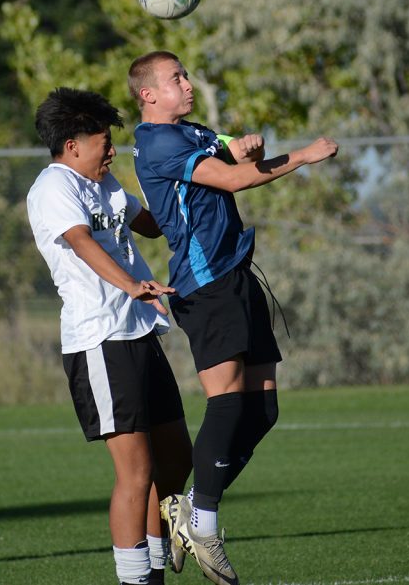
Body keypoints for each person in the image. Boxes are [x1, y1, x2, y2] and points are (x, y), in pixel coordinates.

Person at [128, 51, 338, 585]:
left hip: (238, 276)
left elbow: (225, 149)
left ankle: (189, 507)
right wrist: (302, 156)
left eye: (185, 74)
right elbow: (234, 180)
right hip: (206, 285)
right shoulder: (157, 142)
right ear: (149, 94)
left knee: (263, 410)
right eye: (176, 78)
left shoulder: (190, 131)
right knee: (225, 404)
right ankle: (205, 526)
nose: (187, 83)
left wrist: (244, 144)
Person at [26, 87, 193, 585]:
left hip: (138, 330)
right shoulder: (54, 186)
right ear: (73, 144)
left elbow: (151, 225)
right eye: (104, 141)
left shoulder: (104, 183)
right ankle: (138, 579)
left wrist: (194, 175)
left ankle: (158, 564)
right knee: (136, 474)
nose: (111, 150)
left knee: (176, 456)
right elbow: (79, 243)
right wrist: (132, 284)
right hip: (99, 340)